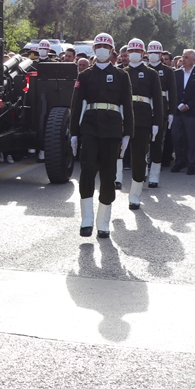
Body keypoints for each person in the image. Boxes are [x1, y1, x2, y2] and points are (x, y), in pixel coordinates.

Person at [69, 33, 134, 238]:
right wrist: (74, 133)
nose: (102, 50)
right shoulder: (85, 75)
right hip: (90, 126)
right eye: (98, 46)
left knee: (108, 175)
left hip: (113, 129)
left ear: (112, 51)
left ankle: (103, 222)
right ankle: (86, 219)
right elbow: (76, 104)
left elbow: (127, 106)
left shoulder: (122, 76)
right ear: (94, 50)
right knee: (87, 169)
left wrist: (127, 134)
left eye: (106, 47)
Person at [119, 39, 163, 210]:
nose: (134, 53)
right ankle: (115, 181)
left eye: (138, 50)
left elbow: (157, 101)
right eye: (131, 50)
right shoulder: (121, 72)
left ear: (143, 53)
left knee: (139, 157)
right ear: (128, 53)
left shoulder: (151, 74)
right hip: (123, 117)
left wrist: (156, 122)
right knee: (116, 154)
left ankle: (135, 195)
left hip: (143, 119)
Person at [171, 49, 195, 175]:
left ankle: (191, 163)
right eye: (183, 57)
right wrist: (179, 104)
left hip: (192, 111)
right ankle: (180, 160)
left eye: (186, 57)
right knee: (176, 136)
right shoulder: (176, 73)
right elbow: (173, 91)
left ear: (194, 60)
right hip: (178, 111)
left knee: (192, 138)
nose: (183, 59)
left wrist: (188, 105)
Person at [146, 40, 177, 189]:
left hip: (162, 110)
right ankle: (143, 169)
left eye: (156, 53)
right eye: (150, 52)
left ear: (161, 54)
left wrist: (171, 112)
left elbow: (172, 92)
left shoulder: (168, 71)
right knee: (143, 143)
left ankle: (154, 175)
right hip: (144, 109)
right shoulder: (143, 69)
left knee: (157, 143)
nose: (153, 55)